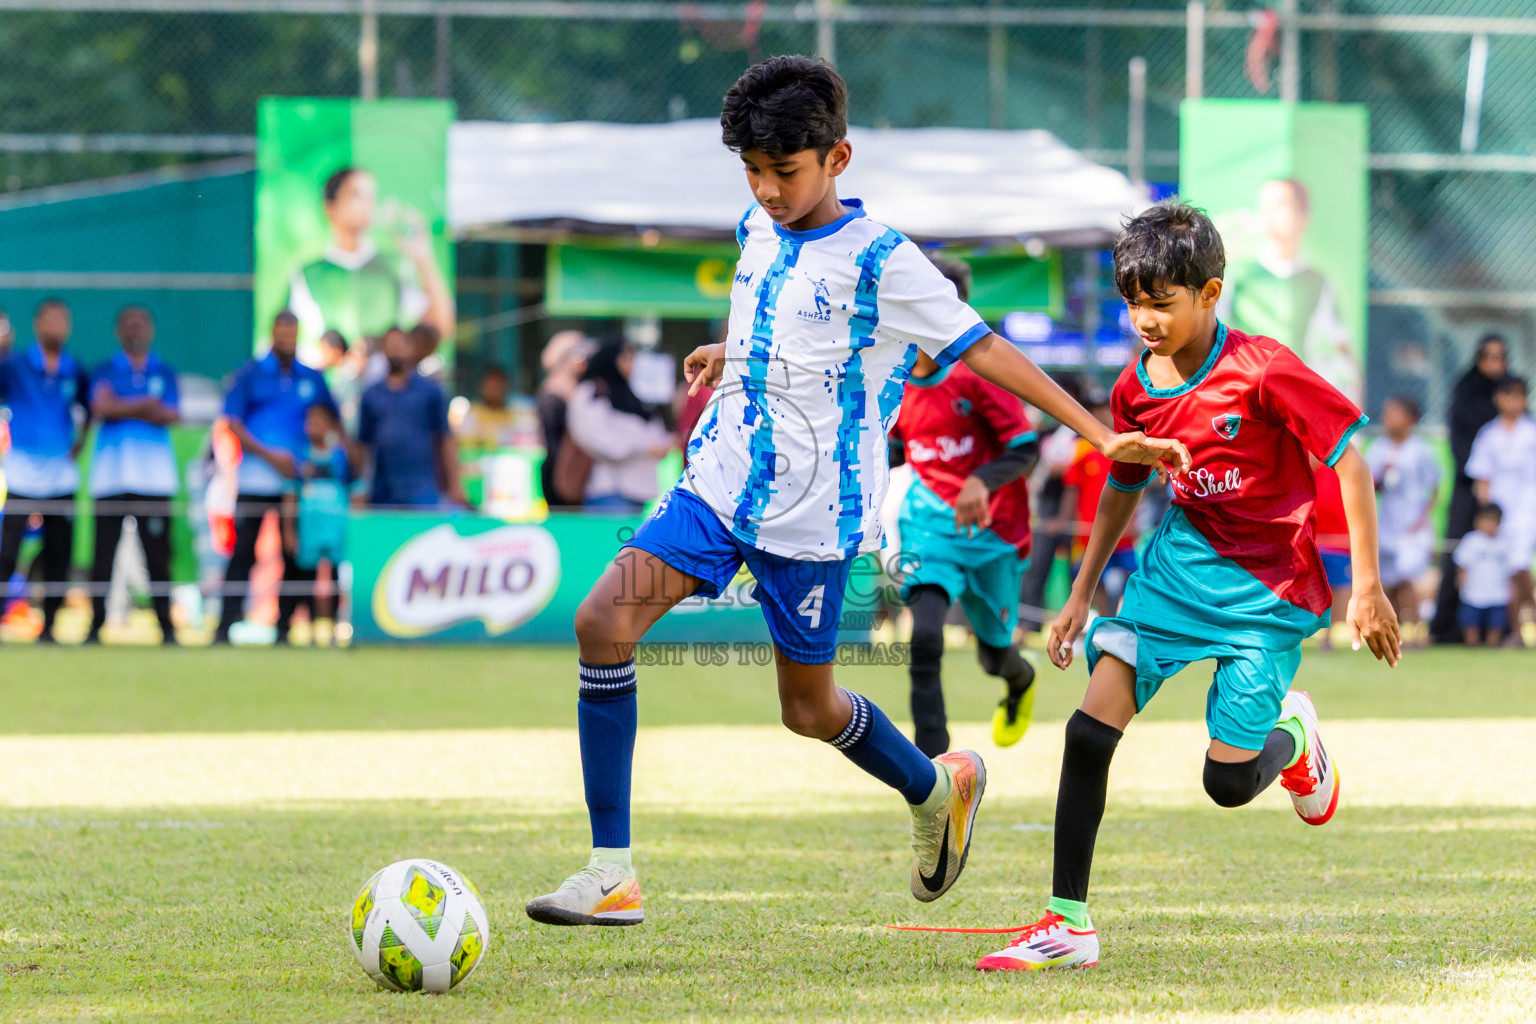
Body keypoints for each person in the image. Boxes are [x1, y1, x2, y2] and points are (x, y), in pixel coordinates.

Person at [523, 55, 1190, 929]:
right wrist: (735, 355)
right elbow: (788, 316)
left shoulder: (886, 262)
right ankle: (611, 870)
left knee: (809, 710)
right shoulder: (755, 229)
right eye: (753, 171)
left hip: (810, 523)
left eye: (784, 172)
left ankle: (934, 787)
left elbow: (986, 349)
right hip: (718, 486)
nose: (766, 189)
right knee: (601, 623)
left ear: (838, 158)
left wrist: (1098, 432)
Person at [975, 200, 1398, 973]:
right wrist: (1079, 594)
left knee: (1228, 783)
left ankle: (1293, 737)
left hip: (1266, 593)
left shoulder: (1263, 368)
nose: (1144, 319)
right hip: (1175, 573)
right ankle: (1067, 922)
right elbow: (1122, 487)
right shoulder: (1135, 389)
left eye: (1161, 303)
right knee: (1086, 731)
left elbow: (1352, 461)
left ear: (1209, 294)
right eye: (1132, 302)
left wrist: (1366, 587)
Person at [890, 255, 1040, 758]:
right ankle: (933, 770)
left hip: (994, 534)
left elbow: (1025, 447)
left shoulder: (980, 374)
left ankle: (1020, 682)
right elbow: (891, 448)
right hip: (930, 524)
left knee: (996, 656)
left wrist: (980, 480)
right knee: (925, 639)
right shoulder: (891, 377)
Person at [216, 310, 339, 646]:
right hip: (255, 481)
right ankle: (224, 625)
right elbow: (233, 424)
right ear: (271, 334)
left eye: (292, 334)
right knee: (243, 553)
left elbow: (332, 421)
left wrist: (322, 459)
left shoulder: (311, 378)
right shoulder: (251, 374)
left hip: (297, 487)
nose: (286, 340)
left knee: (295, 556)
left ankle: (285, 628)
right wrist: (271, 457)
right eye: (281, 334)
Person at [284, 167, 454, 361]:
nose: (366, 204)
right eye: (357, 195)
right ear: (330, 207)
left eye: (371, 197)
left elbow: (441, 327)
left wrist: (422, 256)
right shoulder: (308, 274)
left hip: (385, 388)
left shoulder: (394, 265)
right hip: (325, 388)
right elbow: (283, 344)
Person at [85, 306, 182, 645]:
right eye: (128, 323)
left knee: (159, 558)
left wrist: (122, 405)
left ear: (152, 329)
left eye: (142, 322)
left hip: (154, 482)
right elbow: (101, 407)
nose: (135, 329)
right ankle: (95, 627)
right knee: (102, 559)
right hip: (110, 479)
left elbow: (171, 413)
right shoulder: (104, 369)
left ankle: (166, 629)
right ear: (117, 330)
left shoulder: (164, 370)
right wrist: (144, 406)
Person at [1218, 178, 1360, 404]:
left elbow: (1341, 346)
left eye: (1281, 205)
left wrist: (1353, 400)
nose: (1271, 214)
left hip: (1296, 396)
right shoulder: (1239, 274)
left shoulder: (1318, 281)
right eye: (1266, 206)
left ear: (1304, 216)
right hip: (1245, 392)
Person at [0, 299, 90, 644]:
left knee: (58, 554)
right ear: (37, 324)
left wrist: (82, 440)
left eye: (62, 320)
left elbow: (90, 408)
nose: (56, 327)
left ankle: (50, 627)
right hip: (21, 474)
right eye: (49, 320)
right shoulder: (15, 365)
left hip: (61, 477)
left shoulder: (75, 368)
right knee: (6, 553)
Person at [1430, 334, 1510, 643]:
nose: (1495, 364)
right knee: (1459, 554)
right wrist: (1477, 474)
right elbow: (1459, 442)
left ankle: (1498, 630)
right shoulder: (1466, 391)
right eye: (1488, 357)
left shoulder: (1508, 394)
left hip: (1501, 491)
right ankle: (1448, 628)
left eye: (1500, 357)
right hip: (1468, 486)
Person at [562, 336, 673, 514]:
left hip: (638, 490)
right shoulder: (593, 391)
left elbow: (652, 430)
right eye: (625, 358)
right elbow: (599, 438)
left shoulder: (633, 394)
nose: (631, 364)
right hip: (608, 490)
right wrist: (644, 447)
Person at [356, 326, 464, 509]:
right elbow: (363, 446)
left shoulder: (431, 392)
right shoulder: (371, 394)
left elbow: (445, 439)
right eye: (390, 344)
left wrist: (455, 484)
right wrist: (359, 487)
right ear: (383, 350)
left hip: (422, 490)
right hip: (383, 491)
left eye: (400, 343)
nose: (395, 349)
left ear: (410, 347)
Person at [1465, 376, 1536, 644]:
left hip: (1528, 511)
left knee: (1519, 567)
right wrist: (1487, 515)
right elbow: (1482, 477)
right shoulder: (1489, 435)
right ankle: (1517, 633)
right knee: (1506, 575)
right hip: (1498, 515)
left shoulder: (1531, 433)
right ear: (1499, 399)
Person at [1058, 389, 1138, 616]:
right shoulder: (1081, 449)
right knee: (1093, 582)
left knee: (1132, 577)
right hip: (1088, 532)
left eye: (1104, 409)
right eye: (1093, 411)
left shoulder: (1126, 444)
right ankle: (1102, 624)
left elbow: (1139, 487)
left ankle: (1123, 621)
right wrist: (1065, 520)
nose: (1100, 415)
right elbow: (1071, 488)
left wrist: (1135, 519)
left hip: (1124, 533)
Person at [1367, 396, 1440, 643]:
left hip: (1412, 525)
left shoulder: (1421, 449)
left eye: (1394, 413)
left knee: (1409, 577)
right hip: (1387, 522)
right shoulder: (1378, 448)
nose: (1388, 418)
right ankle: (1394, 632)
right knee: (1390, 581)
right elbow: (1369, 487)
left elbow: (1434, 488)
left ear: (1410, 418)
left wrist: (1422, 519)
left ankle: (1418, 632)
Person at [281, 403, 350, 645]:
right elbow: (290, 494)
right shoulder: (299, 455)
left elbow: (354, 490)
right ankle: (308, 629)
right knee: (306, 579)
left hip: (336, 528)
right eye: (310, 421)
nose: (314, 427)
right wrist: (289, 530)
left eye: (320, 421)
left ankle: (332, 630)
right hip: (309, 528)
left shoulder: (341, 456)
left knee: (333, 580)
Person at [537, 331, 591, 507]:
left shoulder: (575, 390)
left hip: (571, 473)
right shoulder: (554, 394)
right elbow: (553, 443)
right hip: (561, 475)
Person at [1456, 504, 1511, 648]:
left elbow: (1509, 570)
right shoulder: (1472, 540)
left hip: (1497, 594)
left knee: (1495, 627)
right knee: (1471, 627)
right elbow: (1462, 565)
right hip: (1473, 593)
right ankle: (1472, 649)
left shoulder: (1504, 543)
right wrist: (1461, 584)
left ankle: (1491, 649)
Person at [457, 366, 517, 453]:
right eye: (491, 385)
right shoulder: (473, 413)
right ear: (482, 387)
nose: (494, 390)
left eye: (498, 386)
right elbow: (465, 444)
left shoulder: (515, 413)